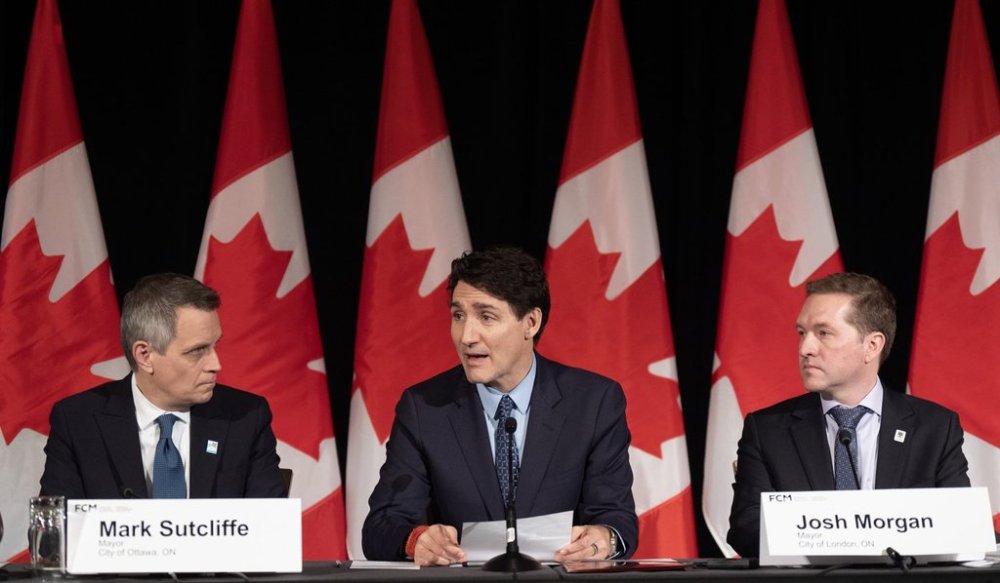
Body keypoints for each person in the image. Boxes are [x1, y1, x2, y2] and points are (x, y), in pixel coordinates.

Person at [363, 246, 637, 565]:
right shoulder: (425, 408)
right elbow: (380, 529)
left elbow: (617, 521)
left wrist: (602, 539)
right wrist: (418, 540)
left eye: (486, 316)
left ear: (531, 322)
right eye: (458, 315)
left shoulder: (593, 402)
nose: (466, 336)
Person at [726, 272, 970, 557]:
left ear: (872, 346)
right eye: (802, 333)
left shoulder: (935, 428)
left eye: (824, 333)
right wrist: (841, 539)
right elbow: (746, 529)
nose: (805, 349)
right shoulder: (768, 430)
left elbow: (960, 526)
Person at [39, 273, 285, 499]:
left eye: (214, 345)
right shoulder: (78, 421)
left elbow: (272, 531)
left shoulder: (245, 417)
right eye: (197, 351)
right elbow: (55, 537)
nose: (216, 364)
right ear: (145, 355)